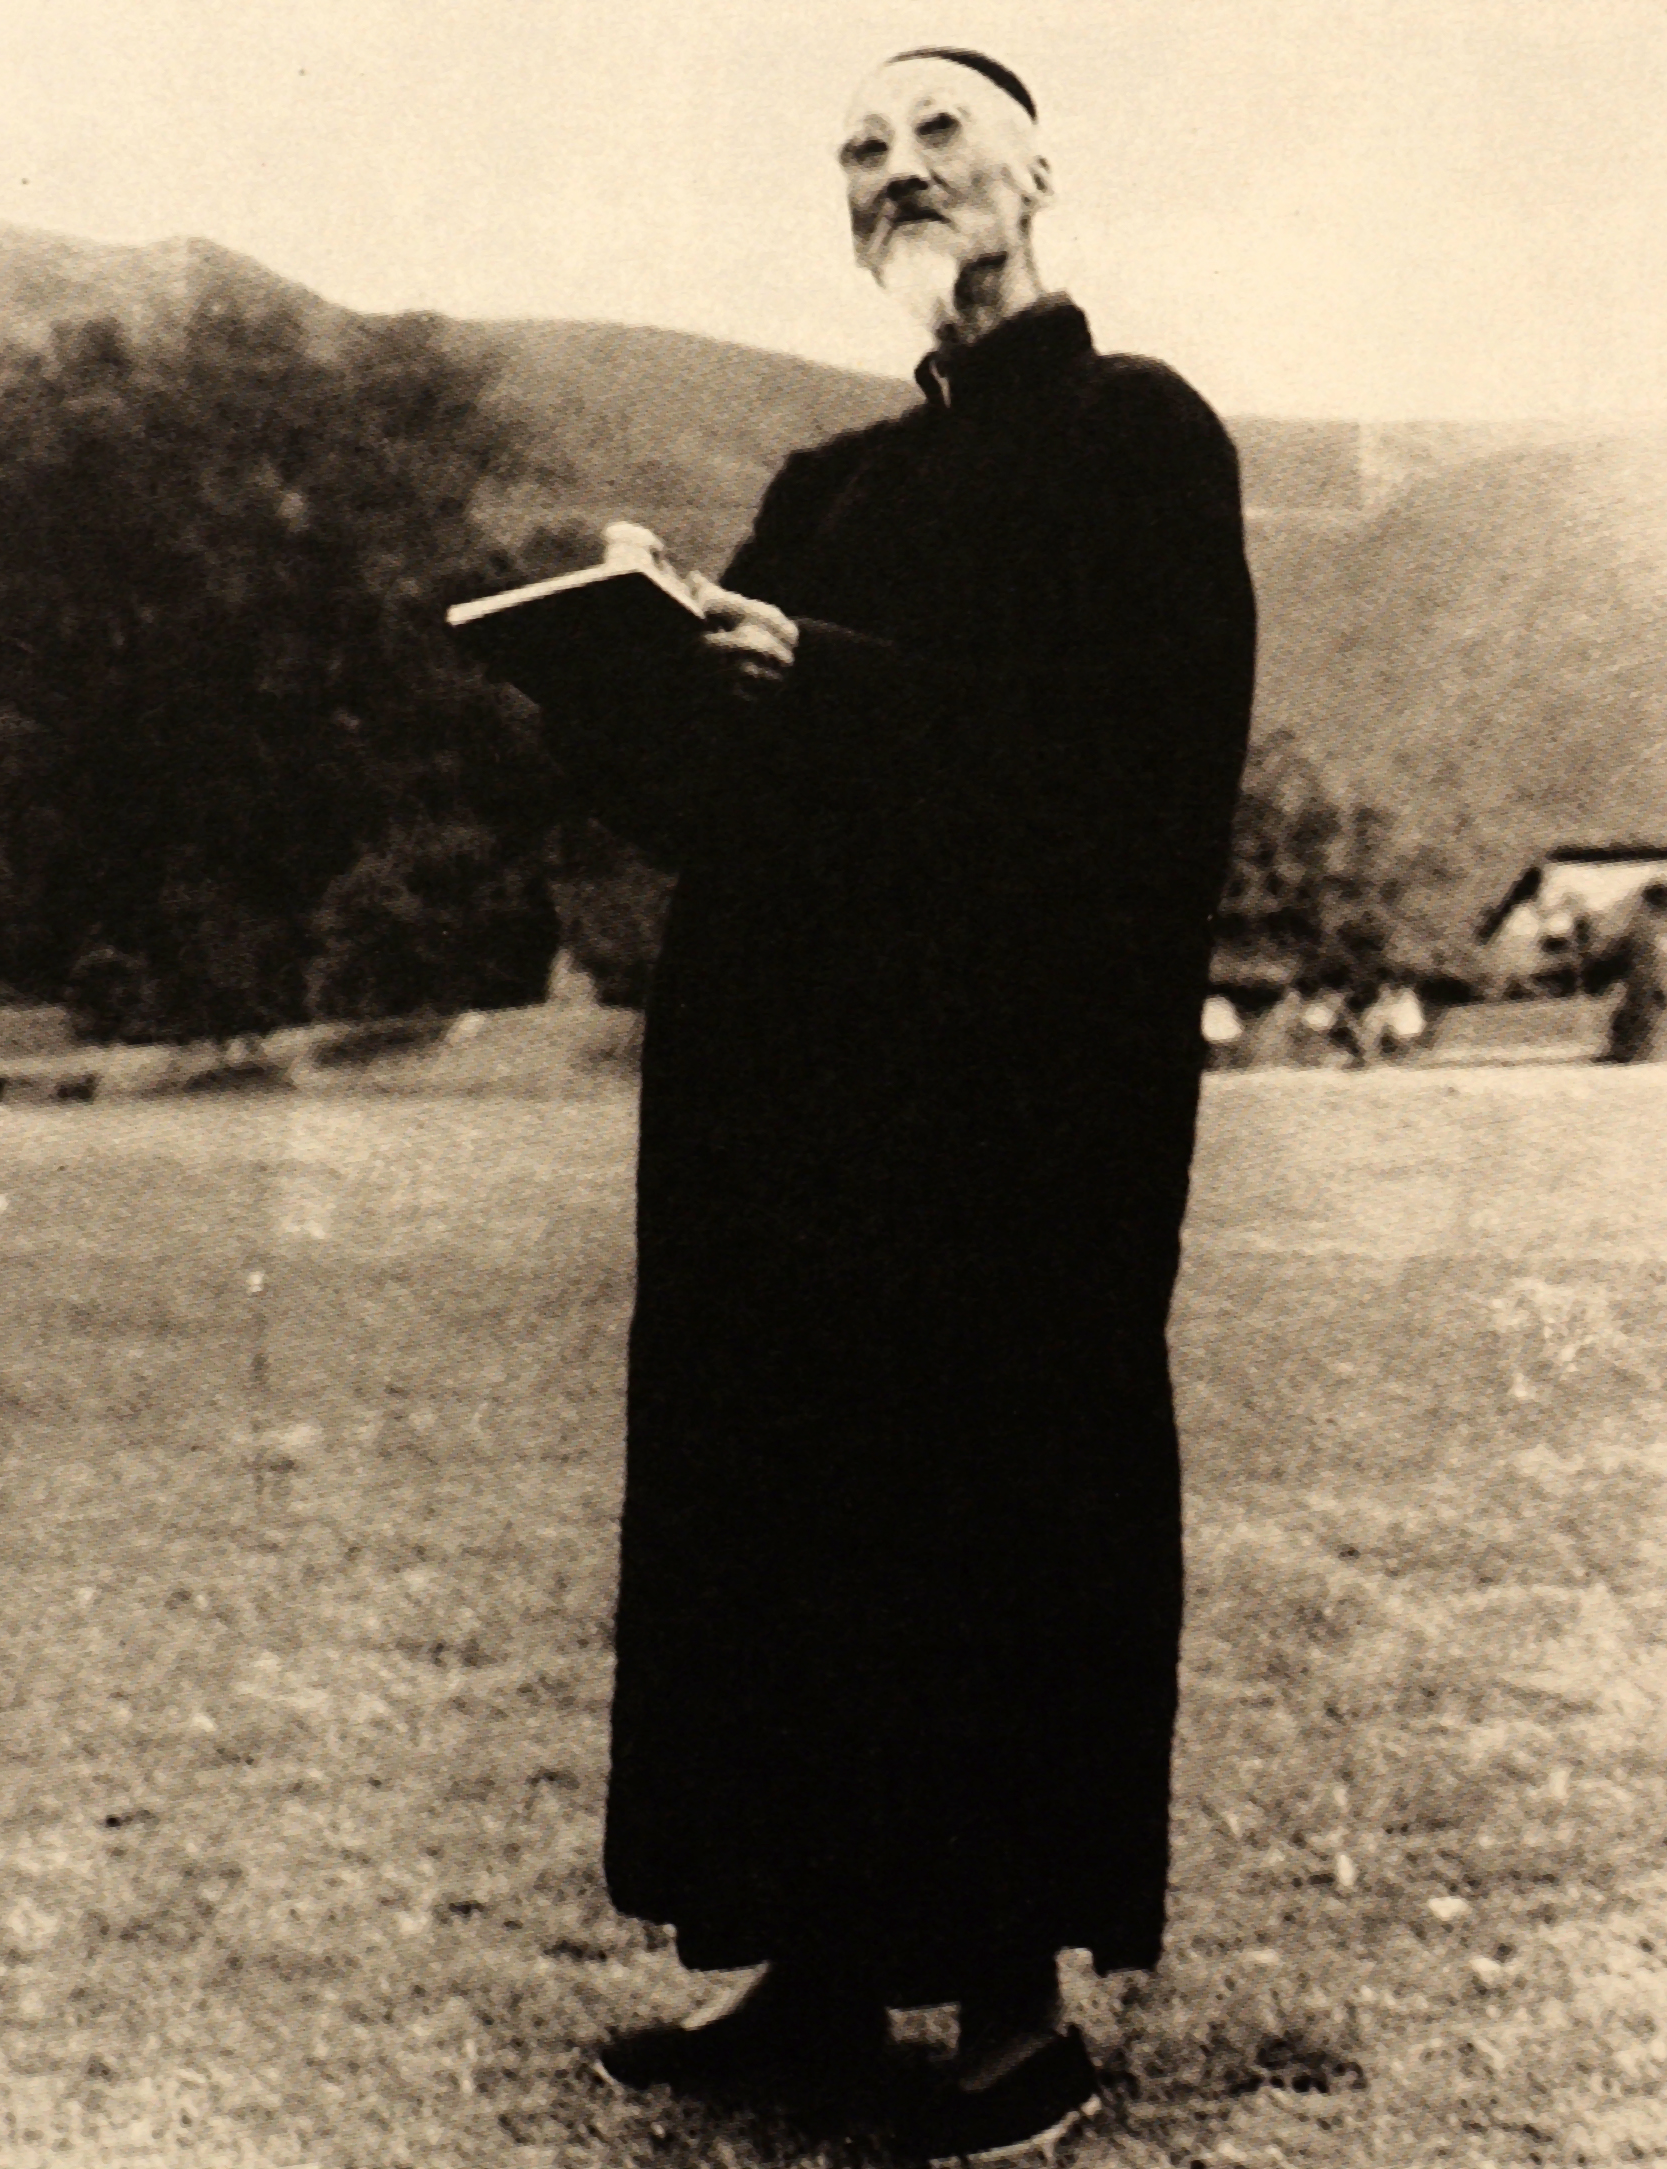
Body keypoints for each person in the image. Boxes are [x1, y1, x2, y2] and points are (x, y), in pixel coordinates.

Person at [546, 46, 1256, 2159]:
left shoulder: (1138, 436)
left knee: (987, 1499)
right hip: (784, 1098)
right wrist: (620, 674)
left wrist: (826, 679)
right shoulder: (830, 483)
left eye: (939, 129)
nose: (899, 166)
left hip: (1006, 1104)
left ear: (1039, 173)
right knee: (784, 1502)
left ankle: (1018, 2017)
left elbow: (1141, 755)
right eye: (863, 147)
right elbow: (708, 791)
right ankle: (819, 1969)